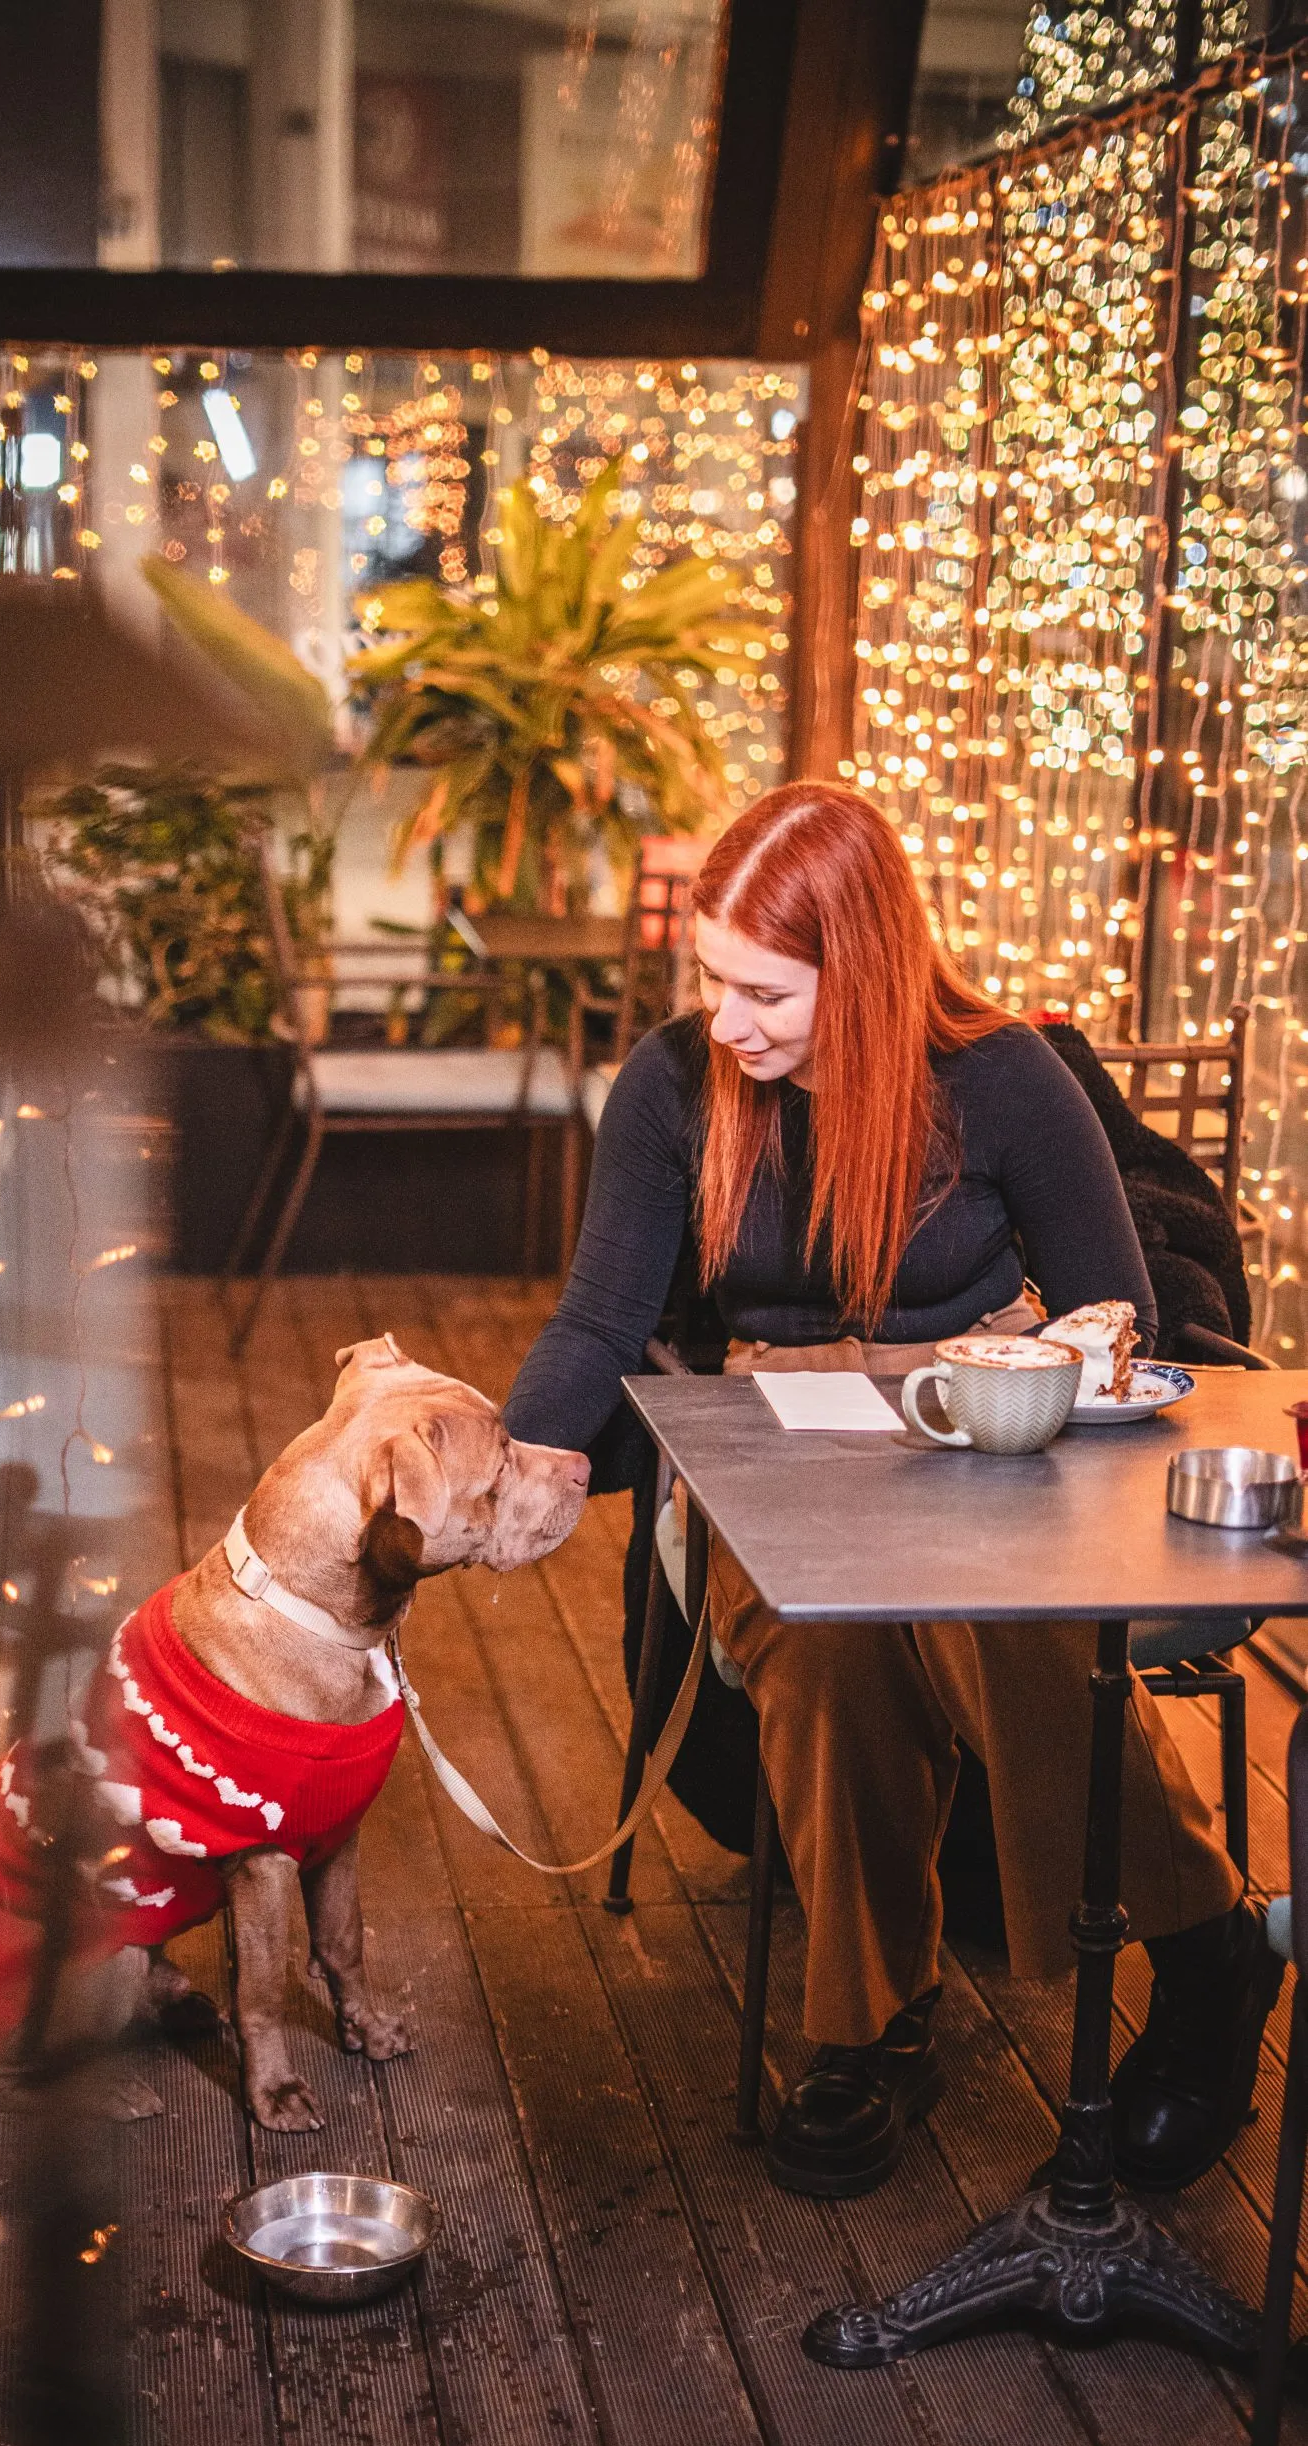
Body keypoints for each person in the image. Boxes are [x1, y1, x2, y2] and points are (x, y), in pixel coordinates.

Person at [504, 781, 1278, 2198]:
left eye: (761, 991)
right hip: (772, 1463)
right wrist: (528, 1460)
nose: (724, 1020)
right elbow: (597, 1321)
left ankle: (1201, 1951)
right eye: (709, 979)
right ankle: (869, 2020)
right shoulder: (676, 1086)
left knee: (1015, 1631)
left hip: (985, 1452)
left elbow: (1118, 1309)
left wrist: (1000, 1364)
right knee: (825, 1640)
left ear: (855, 969)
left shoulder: (995, 1078)